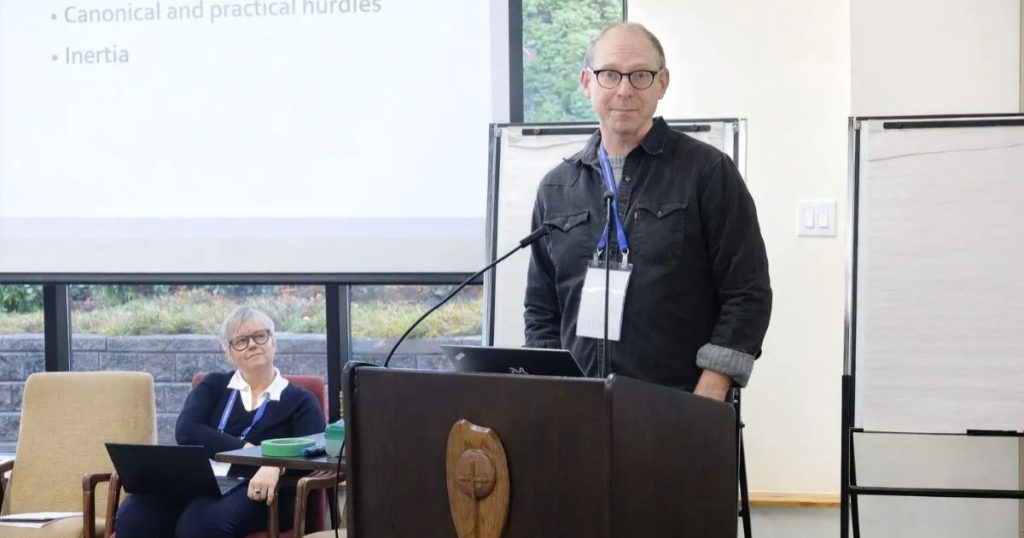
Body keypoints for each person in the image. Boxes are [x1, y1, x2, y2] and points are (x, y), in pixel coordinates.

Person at [524, 22, 772, 401]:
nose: (624, 89)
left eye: (640, 75)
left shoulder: (706, 173)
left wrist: (711, 389)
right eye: (609, 74)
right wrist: (548, 388)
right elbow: (541, 309)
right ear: (587, 82)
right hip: (578, 412)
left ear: (662, 83)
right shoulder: (557, 188)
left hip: (678, 408)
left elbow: (747, 290)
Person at [114, 305, 326, 538]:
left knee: (200, 526)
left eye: (260, 336)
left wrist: (274, 464)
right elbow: (187, 430)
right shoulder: (213, 385)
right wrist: (250, 451)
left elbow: (311, 447)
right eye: (241, 340)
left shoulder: (301, 400)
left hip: (261, 490)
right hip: (203, 482)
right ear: (230, 351)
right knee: (134, 517)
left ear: (273, 341)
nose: (253, 344)